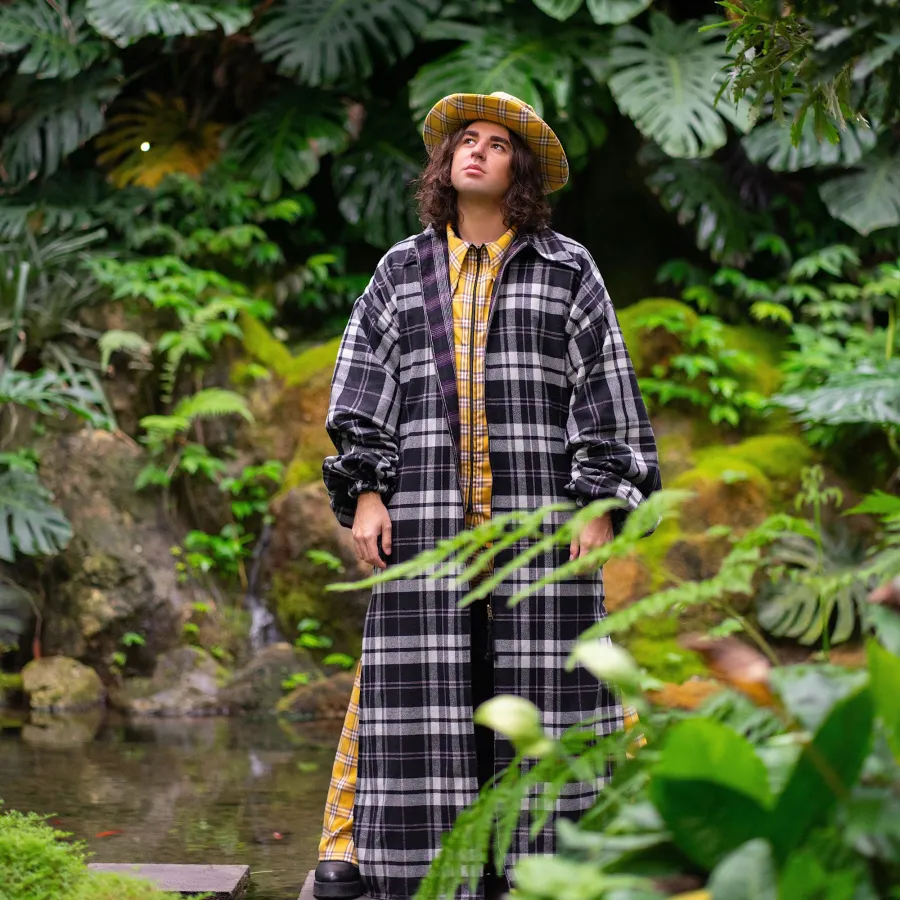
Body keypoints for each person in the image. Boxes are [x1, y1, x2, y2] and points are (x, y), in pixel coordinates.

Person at [315, 92, 661, 900]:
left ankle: (555, 870)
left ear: (520, 170)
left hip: (538, 531)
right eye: (465, 140)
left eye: (497, 144)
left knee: (559, 692)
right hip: (426, 527)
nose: (475, 151)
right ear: (446, 163)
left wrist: (599, 502)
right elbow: (363, 389)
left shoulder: (567, 269)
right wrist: (366, 493)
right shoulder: (401, 270)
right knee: (411, 697)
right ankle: (391, 861)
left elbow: (604, 393)